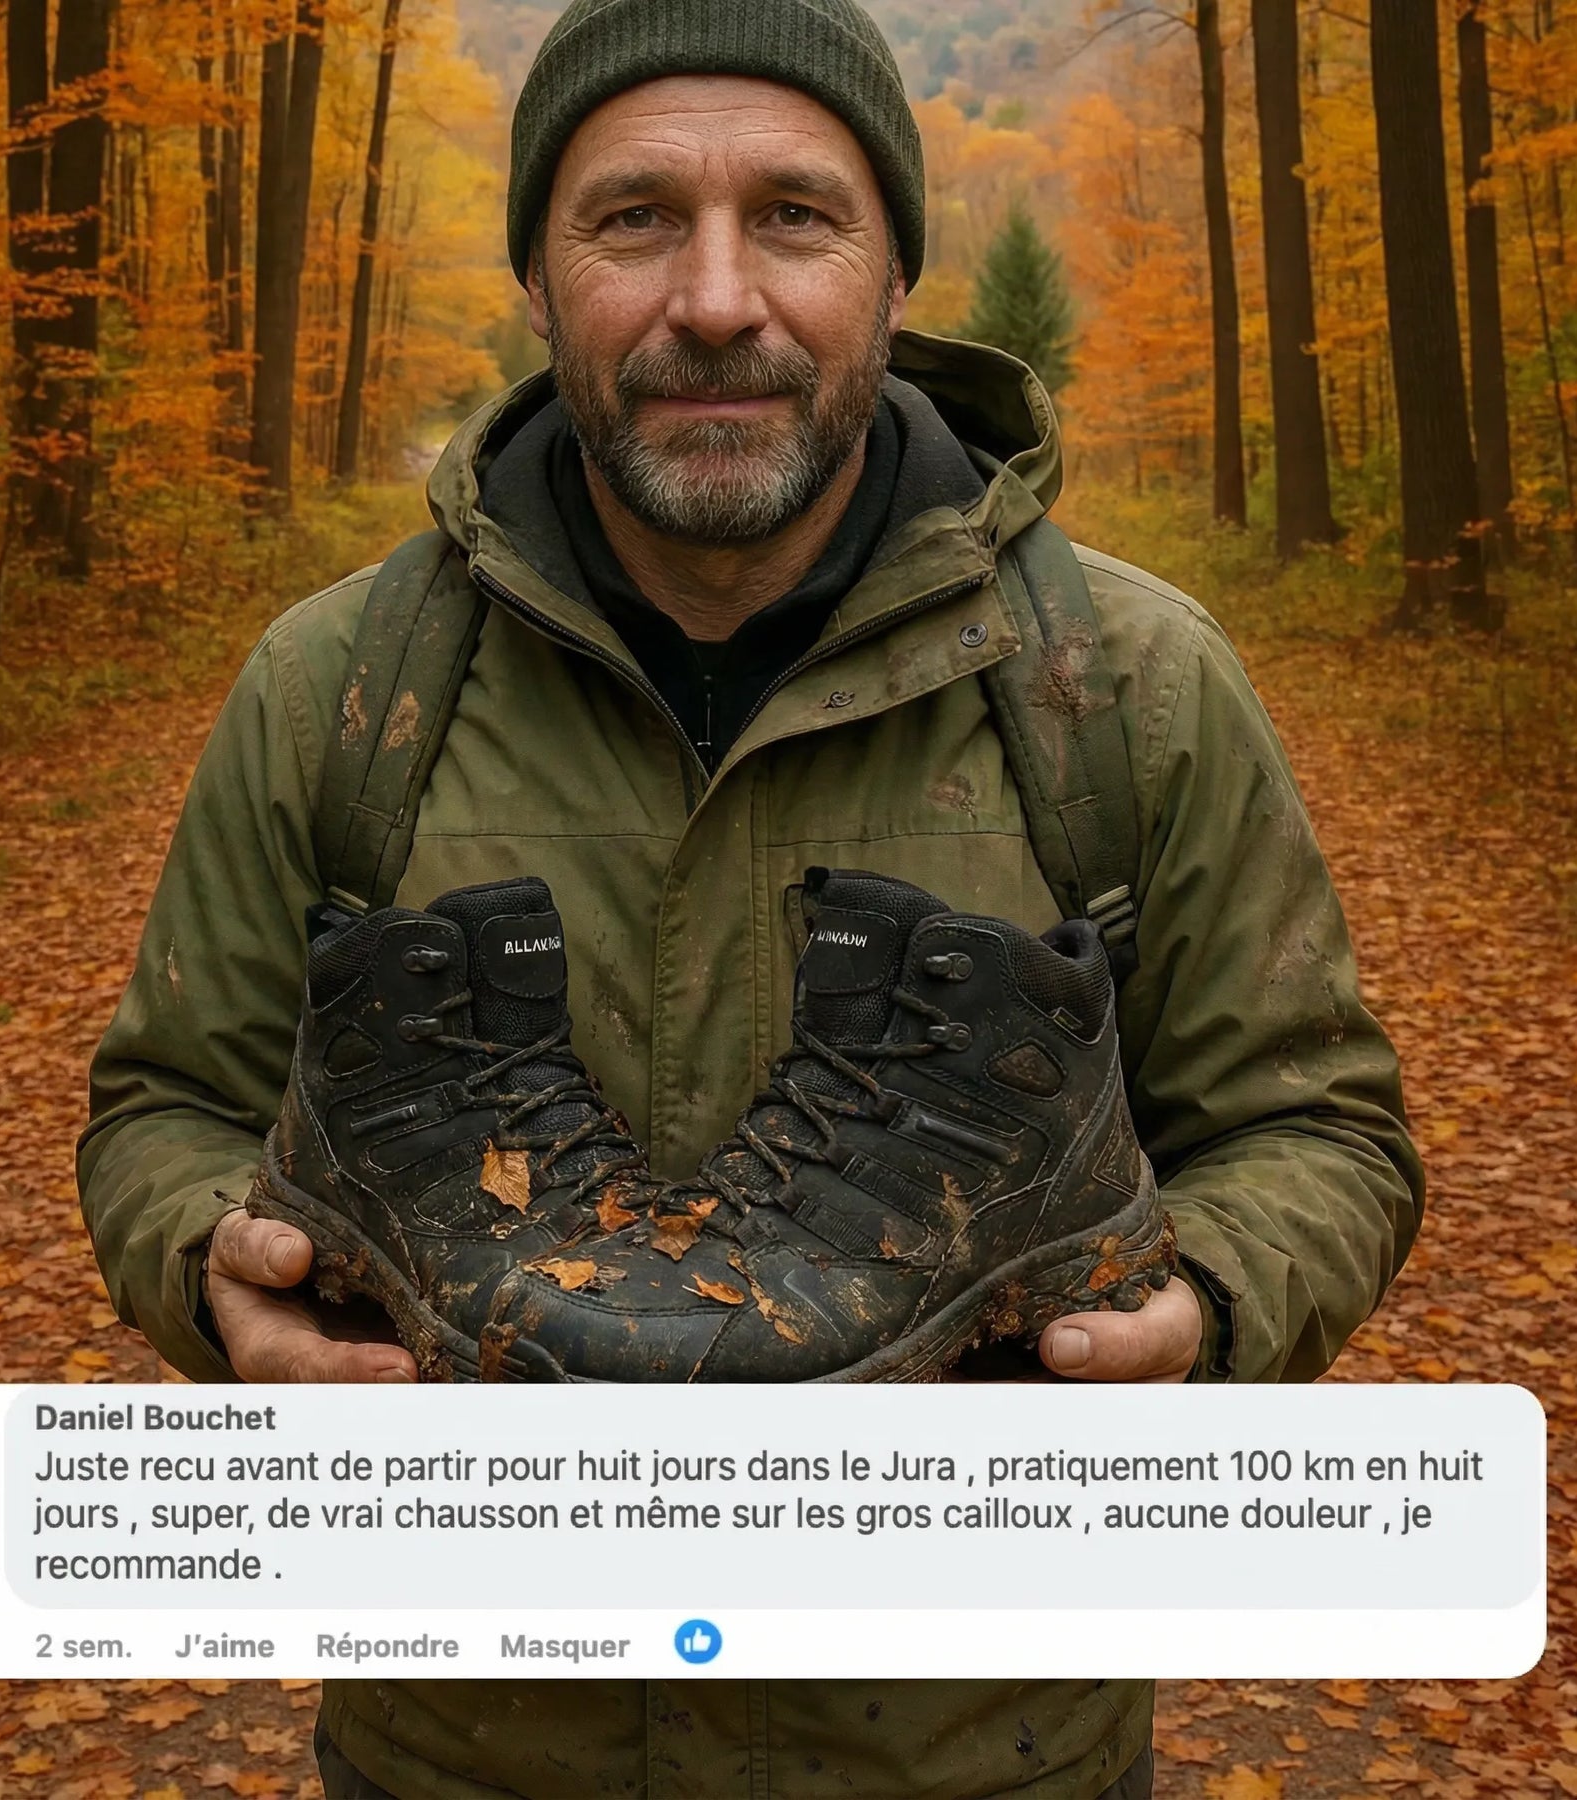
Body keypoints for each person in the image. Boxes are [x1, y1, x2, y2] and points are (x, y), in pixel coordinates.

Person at [78, 1, 1424, 1793]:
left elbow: (1317, 1129)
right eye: (634, 218)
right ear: (539, 280)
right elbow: (170, 1108)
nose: (716, 301)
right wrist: (218, 1273)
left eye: (795, 215)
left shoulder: (1123, 688)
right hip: (468, 1746)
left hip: (981, 1753)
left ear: (894, 274)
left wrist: (1213, 1309)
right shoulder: (343, 691)